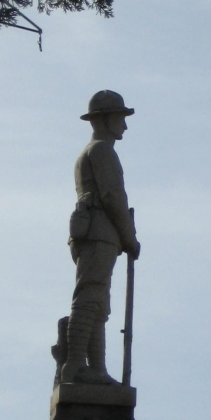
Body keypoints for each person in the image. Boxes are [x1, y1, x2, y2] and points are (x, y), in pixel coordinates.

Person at [61, 90, 140, 386]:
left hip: (92, 232)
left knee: (98, 303)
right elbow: (112, 196)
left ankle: (95, 369)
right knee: (90, 298)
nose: (125, 125)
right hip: (99, 232)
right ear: (106, 119)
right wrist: (129, 237)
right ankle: (75, 366)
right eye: (121, 118)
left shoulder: (91, 152)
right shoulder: (102, 152)